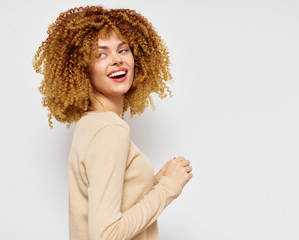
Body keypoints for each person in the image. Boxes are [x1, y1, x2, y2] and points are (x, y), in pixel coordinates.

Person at [33, 5, 193, 240]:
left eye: (123, 50)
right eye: (101, 54)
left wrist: (153, 183)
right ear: (82, 68)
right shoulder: (110, 130)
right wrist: (168, 188)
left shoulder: (90, 125)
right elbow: (106, 235)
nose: (116, 60)